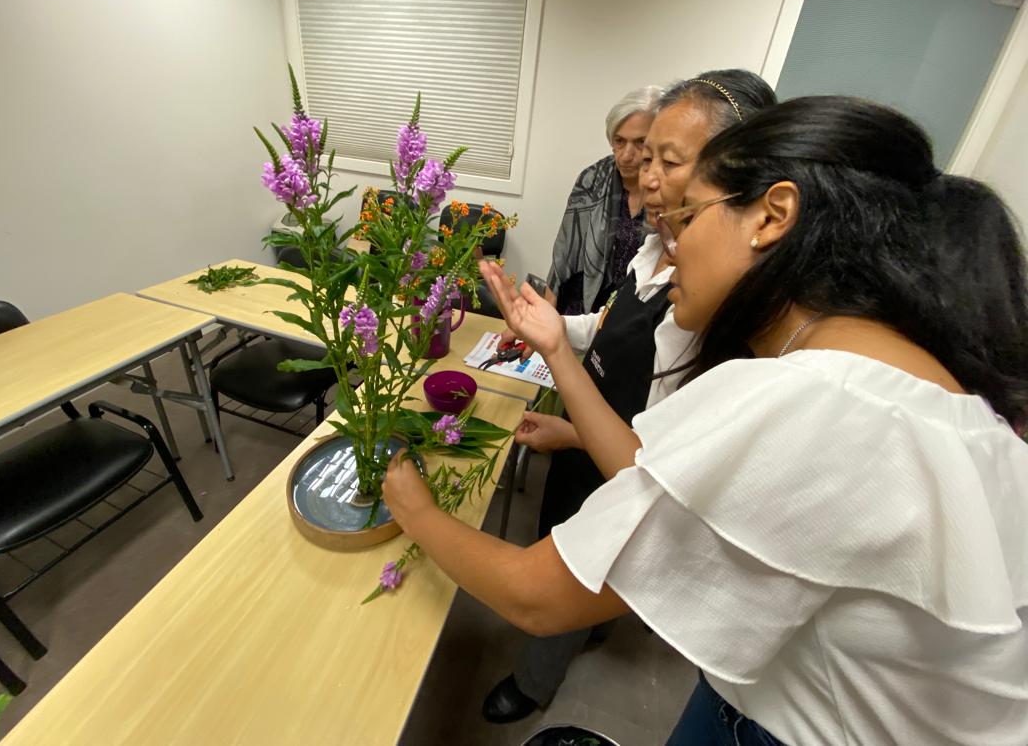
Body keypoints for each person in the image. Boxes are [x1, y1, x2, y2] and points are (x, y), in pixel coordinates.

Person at [384, 96, 1028, 744]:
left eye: (687, 217)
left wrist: (413, 507)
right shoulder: (945, 405)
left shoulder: (807, 401)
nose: (673, 244)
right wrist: (556, 345)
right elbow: (650, 471)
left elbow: (537, 595)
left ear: (772, 216)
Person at [482, 71, 777, 724]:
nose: (643, 175)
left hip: (623, 452)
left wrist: (564, 389)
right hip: (593, 426)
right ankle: (583, 628)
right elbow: (610, 326)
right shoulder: (653, 253)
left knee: (574, 565)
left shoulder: (707, 295)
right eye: (640, 157)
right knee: (571, 539)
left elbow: (657, 452)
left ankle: (535, 681)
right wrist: (551, 327)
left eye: (664, 160)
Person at [546, 85, 663, 315]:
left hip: (636, 313)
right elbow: (564, 253)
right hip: (581, 306)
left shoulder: (666, 192)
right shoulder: (592, 180)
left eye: (640, 143)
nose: (627, 155)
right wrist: (546, 313)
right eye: (619, 141)